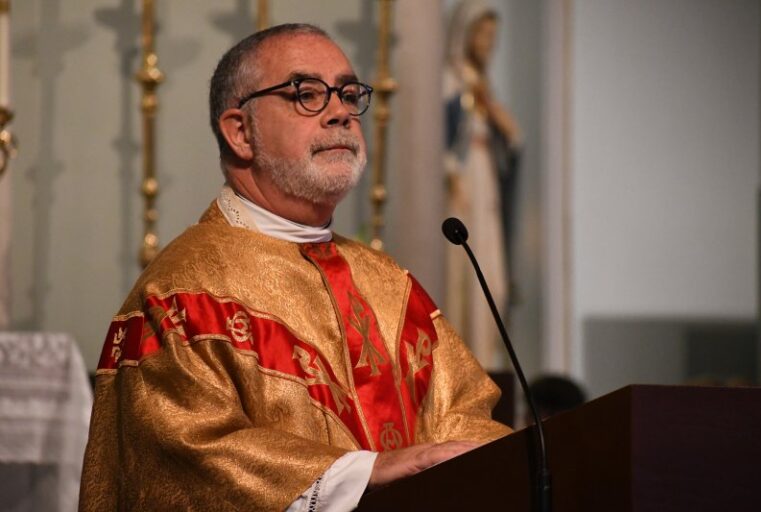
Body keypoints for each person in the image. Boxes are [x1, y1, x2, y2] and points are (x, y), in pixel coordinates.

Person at [79, 24, 511, 511]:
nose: (341, 114)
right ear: (240, 132)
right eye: (307, 94)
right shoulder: (179, 295)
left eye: (349, 95)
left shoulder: (391, 286)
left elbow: (467, 423)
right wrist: (364, 472)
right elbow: (178, 462)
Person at [444, 0, 522, 370]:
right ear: (468, 32)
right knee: (464, 274)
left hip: (485, 180)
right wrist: (451, 173)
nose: (490, 43)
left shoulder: (483, 86)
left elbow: (511, 136)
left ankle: (486, 358)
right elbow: (444, 137)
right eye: (485, 33)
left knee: (494, 279)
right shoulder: (452, 79)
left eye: (495, 36)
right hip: (465, 183)